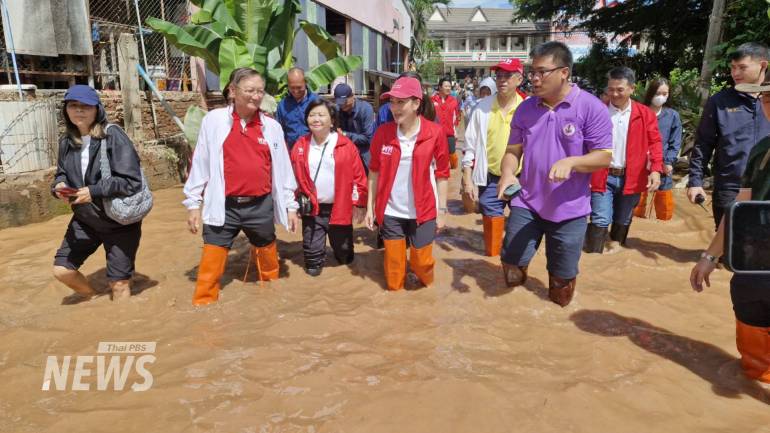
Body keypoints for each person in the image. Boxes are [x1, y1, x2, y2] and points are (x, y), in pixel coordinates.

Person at [497, 42, 612, 307]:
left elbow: (604, 156)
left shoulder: (590, 108)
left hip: (569, 209)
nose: (534, 78)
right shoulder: (526, 109)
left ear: (564, 72)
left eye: (542, 72)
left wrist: (572, 162)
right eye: (532, 71)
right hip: (527, 202)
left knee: (561, 286)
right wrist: (507, 174)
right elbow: (513, 150)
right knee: (511, 265)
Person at [184, 68, 299, 306]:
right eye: (250, 90)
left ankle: (272, 302)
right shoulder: (214, 121)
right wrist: (193, 204)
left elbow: (283, 169)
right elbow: (201, 162)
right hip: (224, 206)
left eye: (260, 91)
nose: (256, 96)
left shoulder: (271, 127)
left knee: (267, 254)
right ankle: (203, 309)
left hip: (260, 205)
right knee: (211, 261)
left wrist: (290, 205)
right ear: (233, 91)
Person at [690, 82, 770, 384]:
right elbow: (740, 205)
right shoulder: (761, 150)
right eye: (765, 96)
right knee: (755, 368)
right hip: (754, 267)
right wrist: (711, 255)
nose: (766, 102)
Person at [52, 85, 144, 303]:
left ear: (97, 110)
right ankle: (93, 299)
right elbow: (60, 174)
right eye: (73, 105)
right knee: (62, 270)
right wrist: (58, 187)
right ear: (66, 110)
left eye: (86, 106)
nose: (79, 111)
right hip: (85, 220)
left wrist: (93, 191)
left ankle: (123, 331)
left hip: (118, 220)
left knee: (119, 285)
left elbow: (131, 181)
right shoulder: (67, 141)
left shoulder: (113, 136)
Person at [365, 76, 450, 291]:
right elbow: (373, 172)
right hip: (392, 211)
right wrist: (370, 208)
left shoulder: (434, 132)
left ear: (416, 103)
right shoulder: (383, 133)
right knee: (393, 279)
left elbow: (442, 174)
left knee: (422, 266)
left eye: (400, 102)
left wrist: (442, 210)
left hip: (424, 210)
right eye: (392, 102)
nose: (394, 108)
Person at [688, 42, 770, 229]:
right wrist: (695, 182)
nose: (735, 73)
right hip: (729, 188)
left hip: (767, 188)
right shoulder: (719, 102)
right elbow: (703, 144)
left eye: (742, 67)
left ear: (763, 66)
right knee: (729, 245)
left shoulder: (768, 100)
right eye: (733, 67)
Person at [584, 67, 663, 253]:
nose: (614, 93)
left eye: (620, 89)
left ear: (632, 89)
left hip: (633, 177)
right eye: (611, 89)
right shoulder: (597, 110)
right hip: (602, 175)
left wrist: (656, 170)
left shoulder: (644, 114)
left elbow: (655, 143)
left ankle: (616, 249)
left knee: (623, 218)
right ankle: (594, 256)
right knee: (600, 218)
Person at [290, 99, 368, 276]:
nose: (316, 119)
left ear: (332, 120)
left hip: (339, 209)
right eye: (312, 115)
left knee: (345, 258)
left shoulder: (345, 145)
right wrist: (292, 207)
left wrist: (360, 204)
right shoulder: (300, 145)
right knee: (312, 264)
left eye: (321, 115)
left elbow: (359, 177)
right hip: (313, 210)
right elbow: (292, 178)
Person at [462, 59, 526, 256]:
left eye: (508, 76)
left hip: (522, 178)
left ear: (519, 79)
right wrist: (467, 177)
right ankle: (491, 260)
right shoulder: (482, 107)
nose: (502, 81)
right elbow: (470, 144)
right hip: (490, 178)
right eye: (499, 76)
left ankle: (513, 262)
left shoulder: (529, 107)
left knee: (521, 223)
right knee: (491, 222)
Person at [633, 77, 683, 220]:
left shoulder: (672, 116)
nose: (661, 97)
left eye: (665, 94)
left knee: (664, 202)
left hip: (662, 163)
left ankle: (663, 225)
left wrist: (668, 162)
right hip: (639, 163)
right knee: (637, 201)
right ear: (651, 93)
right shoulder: (639, 112)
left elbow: (675, 142)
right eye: (658, 93)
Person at [334, 83, 376, 170]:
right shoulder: (337, 110)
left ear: (352, 96)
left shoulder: (366, 109)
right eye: (340, 103)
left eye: (345, 102)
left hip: (364, 155)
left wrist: (345, 134)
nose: (343, 105)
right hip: (345, 155)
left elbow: (368, 138)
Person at [276, 67, 319, 150]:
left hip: (314, 151)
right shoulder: (282, 105)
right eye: (292, 88)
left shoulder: (317, 102)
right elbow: (279, 131)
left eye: (299, 87)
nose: (296, 91)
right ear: (288, 85)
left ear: (305, 83)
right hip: (292, 153)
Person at [432, 77, 461, 169]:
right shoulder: (432, 100)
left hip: (449, 133)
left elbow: (455, 117)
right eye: (446, 86)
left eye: (449, 86)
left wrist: (455, 132)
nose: (448, 88)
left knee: (452, 153)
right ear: (440, 87)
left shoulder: (453, 101)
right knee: (438, 155)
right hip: (436, 133)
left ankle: (450, 168)